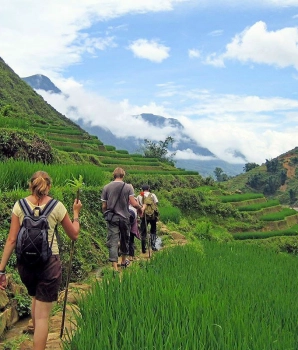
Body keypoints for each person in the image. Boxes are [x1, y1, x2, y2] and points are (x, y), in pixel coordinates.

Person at [0, 171, 82, 350]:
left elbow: (12, 239)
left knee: (35, 297)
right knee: (44, 316)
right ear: (49, 186)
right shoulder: (57, 206)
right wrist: (76, 214)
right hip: (49, 264)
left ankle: (35, 336)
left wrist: (1, 270)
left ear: (31, 185)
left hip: (25, 265)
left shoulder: (19, 205)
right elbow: (74, 234)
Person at [101, 167, 144, 272]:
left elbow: (104, 206)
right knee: (125, 239)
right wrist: (140, 209)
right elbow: (133, 203)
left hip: (112, 218)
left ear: (113, 175)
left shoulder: (106, 187)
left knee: (113, 241)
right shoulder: (128, 187)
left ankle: (115, 267)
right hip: (125, 217)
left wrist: (106, 214)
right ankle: (124, 262)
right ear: (123, 175)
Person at [137, 184, 159, 253]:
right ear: (149, 189)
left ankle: (143, 249)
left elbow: (138, 206)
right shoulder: (153, 195)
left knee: (143, 232)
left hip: (144, 216)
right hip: (152, 216)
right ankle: (153, 246)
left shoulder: (139, 196)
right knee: (153, 230)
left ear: (142, 189)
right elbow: (156, 204)